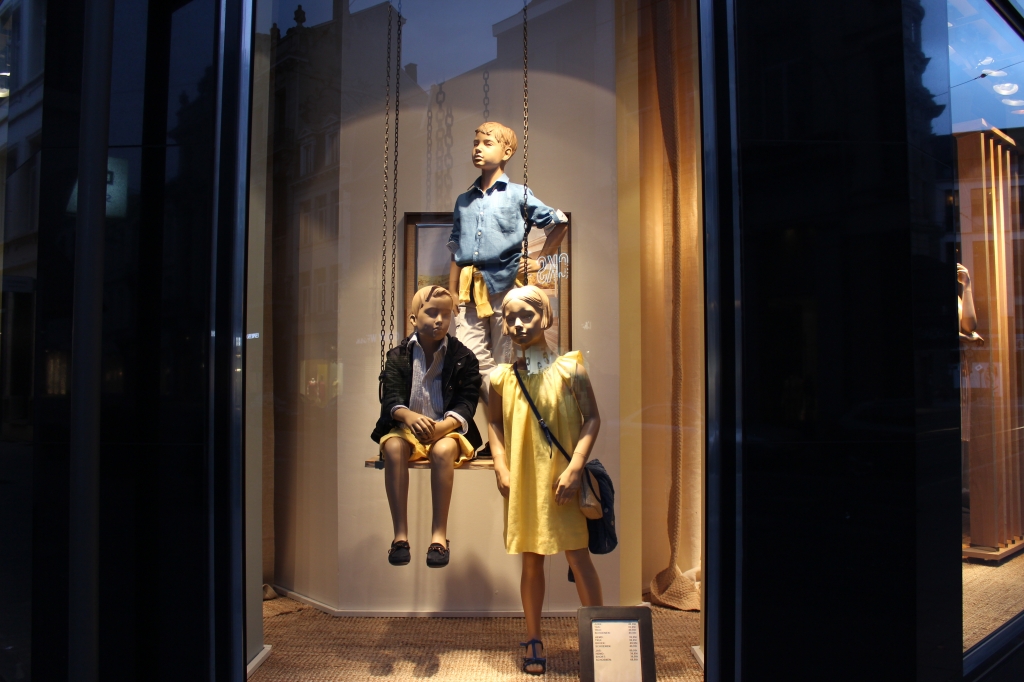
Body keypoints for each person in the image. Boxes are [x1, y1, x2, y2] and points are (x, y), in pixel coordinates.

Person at [487, 286, 603, 675]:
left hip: (563, 482)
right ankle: (533, 637)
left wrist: (575, 468)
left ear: (546, 317)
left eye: (528, 315)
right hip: (524, 482)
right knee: (531, 560)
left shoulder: (570, 369)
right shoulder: (500, 378)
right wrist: (500, 465)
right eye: (511, 318)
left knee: (579, 557)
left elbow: (592, 417)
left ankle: (600, 638)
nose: (519, 324)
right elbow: (493, 422)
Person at [447, 122, 568, 400]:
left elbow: (558, 223)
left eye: (487, 143)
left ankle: (505, 421)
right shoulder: (464, 200)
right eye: (476, 143)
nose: (478, 149)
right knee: (469, 358)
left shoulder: (517, 194)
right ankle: (501, 410)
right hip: (469, 290)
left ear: (507, 152)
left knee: (506, 356)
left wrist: (541, 261)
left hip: (506, 287)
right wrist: (452, 288)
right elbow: (455, 244)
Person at [371, 285, 482, 568]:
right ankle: (400, 536)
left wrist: (444, 426)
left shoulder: (463, 357)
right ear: (413, 318)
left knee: (443, 451)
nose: (439, 320)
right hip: (406, 430)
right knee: (393, 447)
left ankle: (439, 536)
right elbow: (391, 398)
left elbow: (467, 401)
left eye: (446, 314)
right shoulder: (397, 356)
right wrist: (408, 416)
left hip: (447, 430)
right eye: (432, 312)